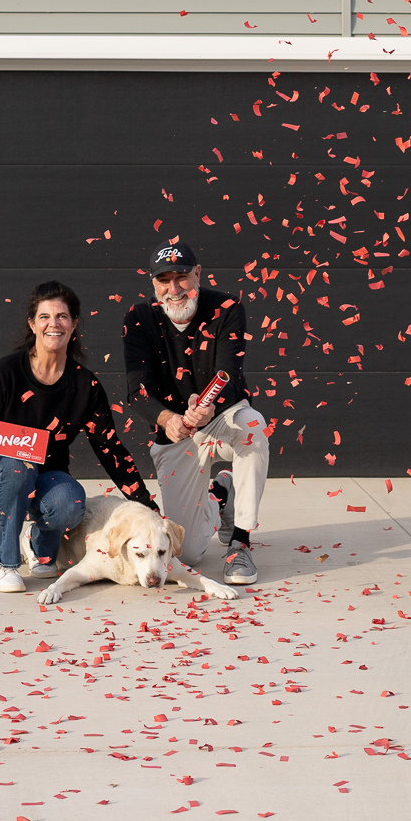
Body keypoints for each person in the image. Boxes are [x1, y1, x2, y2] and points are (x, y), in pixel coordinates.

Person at [0, 280, 158, 593]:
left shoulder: (85, 386)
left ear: (74, 324)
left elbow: (110, 450)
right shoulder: (7, 372)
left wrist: (149, 510)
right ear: (32, 324)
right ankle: (4, 563)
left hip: (41, 479)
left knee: (71, 501)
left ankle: (39, 546)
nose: (54, 323)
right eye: (45, 317)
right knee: (18, 464)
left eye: (62, 316)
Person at [122, 240, 268, 587]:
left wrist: (209, 406)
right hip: (176, 431)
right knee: (185, 552)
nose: (174, 289)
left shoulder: (227, 308)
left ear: (197, 274)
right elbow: (137, 391)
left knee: (253, 426)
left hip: (222, 418)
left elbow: (229, 374)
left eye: (181, 277)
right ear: (153, 283)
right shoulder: (138, 318)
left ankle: (240, 543)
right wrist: (167, 420)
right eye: (164, 280)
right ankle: (221, 495)